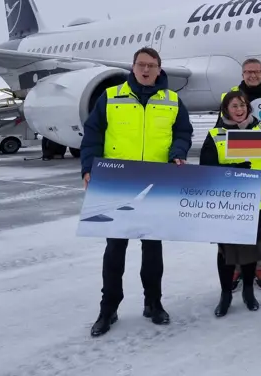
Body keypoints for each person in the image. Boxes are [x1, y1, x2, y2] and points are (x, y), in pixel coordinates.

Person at [80, 47, 194, 336]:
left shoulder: (171, 100)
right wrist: (88, 167)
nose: (146, 70)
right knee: (115, 250)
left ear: (159, 69)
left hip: (156, 181)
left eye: (151, 66)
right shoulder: (111, 96)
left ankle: (153, 303)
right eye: (141, 65)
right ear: (133, 67)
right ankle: (108, 309)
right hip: (117, 181)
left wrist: (178, 153)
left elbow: (183, 133)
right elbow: (93, 134)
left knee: (153, 249)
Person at [200, 90, 261, 317]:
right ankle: (226, 294)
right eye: (234, 106)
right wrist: (233, 169)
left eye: (243, 105)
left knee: (251, 250)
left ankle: (248, 291)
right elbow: (206, 170)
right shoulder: (216, 135)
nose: (239, 110)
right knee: (226, 252)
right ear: (226, 109)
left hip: (256, 203)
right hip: (228, 204)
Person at [217, 57, 261, 291]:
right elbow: (219, 132)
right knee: (237, 227)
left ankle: (258, 267)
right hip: (236, 175)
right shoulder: (230, 96)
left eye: (257, 71)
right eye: (248, 72)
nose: (253, 75)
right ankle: (236, 269)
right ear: (242, 74)